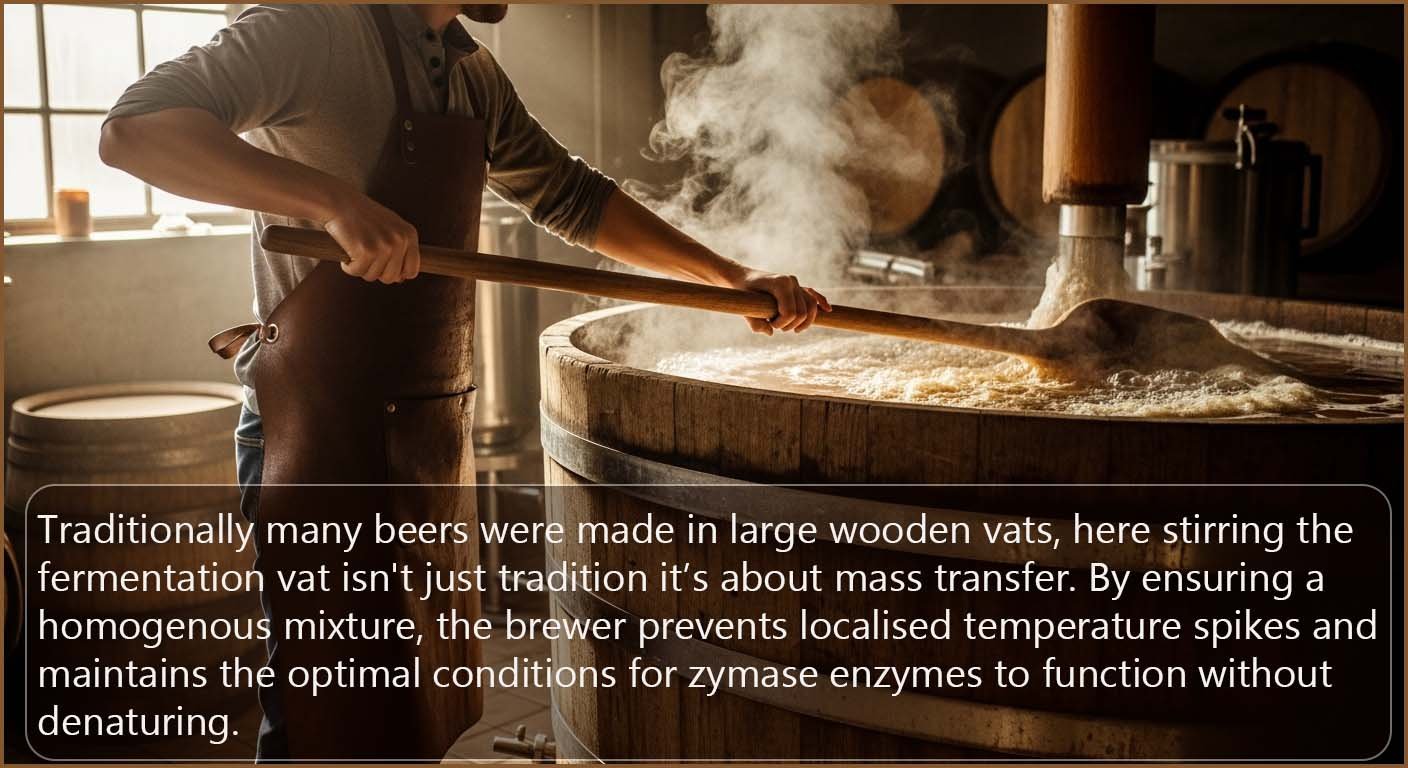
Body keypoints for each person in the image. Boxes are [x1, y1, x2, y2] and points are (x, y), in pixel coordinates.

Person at [101, 4, 830, 761]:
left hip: (424, 435)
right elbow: (134, 131)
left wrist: (728, 276)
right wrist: (336, 203)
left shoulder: (471, 70)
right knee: (325, 721)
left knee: (411, 717)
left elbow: (573, 196)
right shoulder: (309, 28)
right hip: (319, 435)